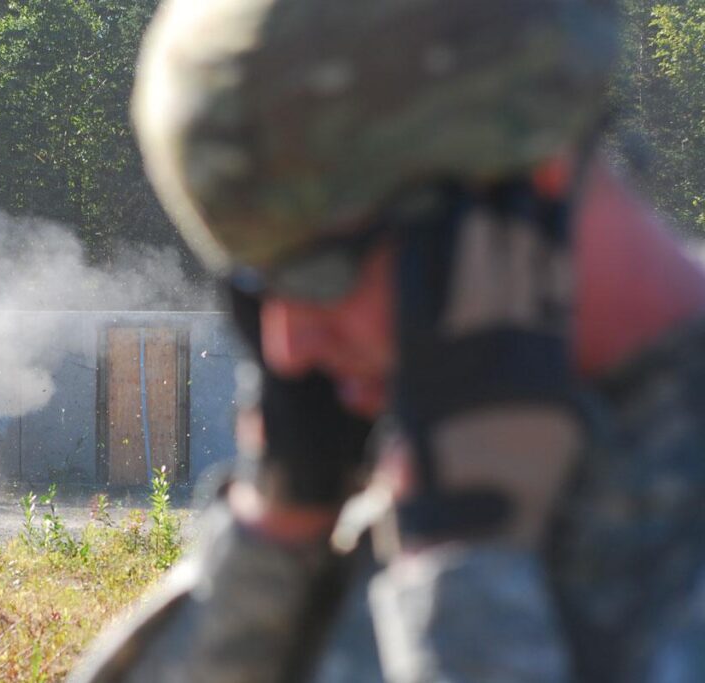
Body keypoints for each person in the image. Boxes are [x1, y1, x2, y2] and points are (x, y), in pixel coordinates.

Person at [70, 0, 705, 681]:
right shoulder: (410, 454)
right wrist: (276, 539)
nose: (287, 350)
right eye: (254, 289)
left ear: (521, 190)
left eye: (322, 270)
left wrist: (468, 578)